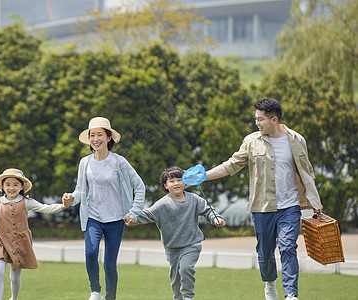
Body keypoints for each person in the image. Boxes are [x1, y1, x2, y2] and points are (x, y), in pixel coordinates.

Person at [203, 98, 323, 300]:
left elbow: (307, 172)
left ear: (273, 119)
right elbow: (231, 165)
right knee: (265, 253)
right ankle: (269, 284)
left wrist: (315, 203)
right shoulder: (251, 141)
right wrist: (204, 175)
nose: (257, 123)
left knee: (288, 247)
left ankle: (291, 294)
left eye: (260, 119)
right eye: (256, 119)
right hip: (262, 207)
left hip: (290, 206)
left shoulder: (297, 140)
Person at [62, 117, 145, 300]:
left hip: (116, 219)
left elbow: (139, 187)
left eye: (100, 134)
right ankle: (95, 291)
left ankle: (110, 297)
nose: (95, 139)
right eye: (92, 135)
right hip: (93, 217)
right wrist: (70, 198)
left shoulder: (119, 162)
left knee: (109, 265)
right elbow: (80, 192)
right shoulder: (85, 162)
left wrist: (134, 212)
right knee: (91, 252)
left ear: (109, 138)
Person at [124, 166, 225, 300]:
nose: (176, 183)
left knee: (185, 269)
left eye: (179, 180)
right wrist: (132, 219)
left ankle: (188, 297)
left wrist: (217, 219)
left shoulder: (194, 199)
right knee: (175, 279)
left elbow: (208, 210)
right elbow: (146, 214)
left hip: (191, 244)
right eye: (171, 181)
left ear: (185, 182)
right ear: (165, 185)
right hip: (172, 248)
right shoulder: (162, 204)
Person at [0, 168, 71, 300]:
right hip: (1, 241)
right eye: (8, 184)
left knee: (15, 277)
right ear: (2, 186)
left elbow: (46, 208)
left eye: (15, 184)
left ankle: (14, 298)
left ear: (21, 187)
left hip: (20, 243)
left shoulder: (27, 202)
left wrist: (63, 206)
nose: (11, 188)